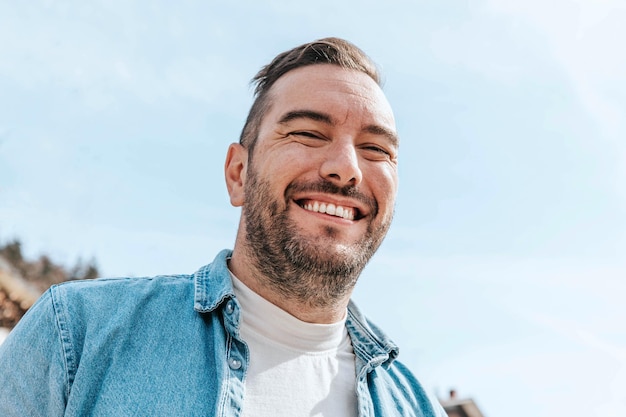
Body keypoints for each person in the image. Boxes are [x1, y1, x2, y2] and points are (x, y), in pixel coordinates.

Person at [0, 37, 447, 417]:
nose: (346, 169)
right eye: (308, 134)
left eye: (375, 149)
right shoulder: (76, 336)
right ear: (238, 173)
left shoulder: (420, 407)